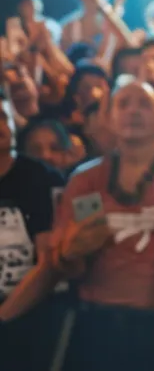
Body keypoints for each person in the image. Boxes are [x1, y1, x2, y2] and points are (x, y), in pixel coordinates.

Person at [50, 78, 154, 370]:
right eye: (123, 104)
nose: (133, 111)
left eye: (144, 104)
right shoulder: (87, 180)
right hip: (92, 320)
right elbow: (69, 260)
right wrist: (71, 249)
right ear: (110, 119)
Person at [0, 91, 66, 370]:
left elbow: (50, 264)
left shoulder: (41, 178)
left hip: (33, 319)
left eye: (3, 117)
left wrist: (3, 317)